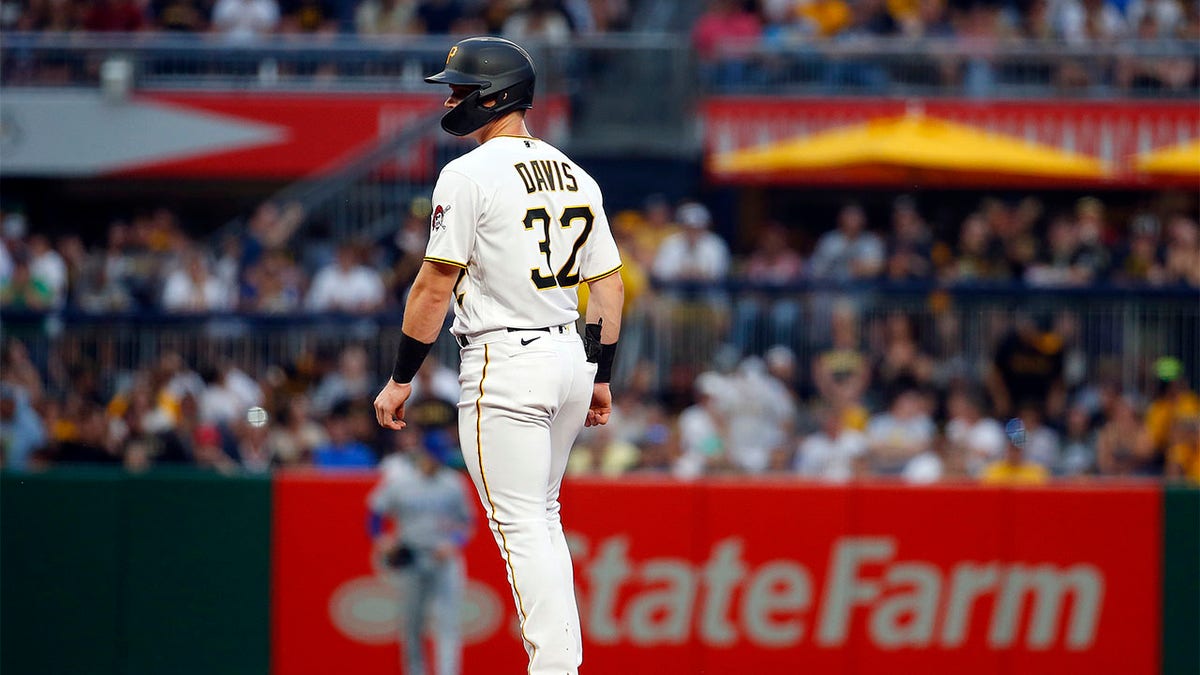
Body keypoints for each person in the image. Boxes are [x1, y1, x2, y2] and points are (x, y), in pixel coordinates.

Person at [373, 36, 624, 675]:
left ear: (497, 95)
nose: (452, 98)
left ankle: (556, 667)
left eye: (460, 88)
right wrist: (600, 373)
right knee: (542, 518)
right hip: (569, 355)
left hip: (507, 363)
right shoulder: (577, 173)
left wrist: (401, 377)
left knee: (523, 529)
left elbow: (434, 285)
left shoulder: (468, 173)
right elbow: (610, 285)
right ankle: (562, 661)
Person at [368, 432, 474, 675]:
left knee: (448, 625)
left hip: (444, 559)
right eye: (434, 456)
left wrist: (454, 542)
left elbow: (468, 523)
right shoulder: (400, 480)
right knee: (412, 625)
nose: (437, 461)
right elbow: (375, 512)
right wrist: (380, 539)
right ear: (423, 453)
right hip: (411, 556)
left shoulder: (452, 482)